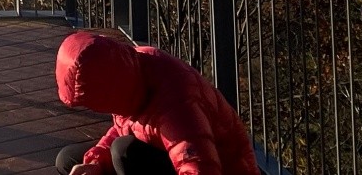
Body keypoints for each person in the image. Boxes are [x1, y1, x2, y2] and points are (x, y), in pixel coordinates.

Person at [53, 30, 260, 175]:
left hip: (219, 168)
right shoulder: (128, 70)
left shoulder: (177, 103)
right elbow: (127, 126)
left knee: (124, 152)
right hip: (167, 156)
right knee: (69, 159)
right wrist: (96, 162)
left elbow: (200, 166)